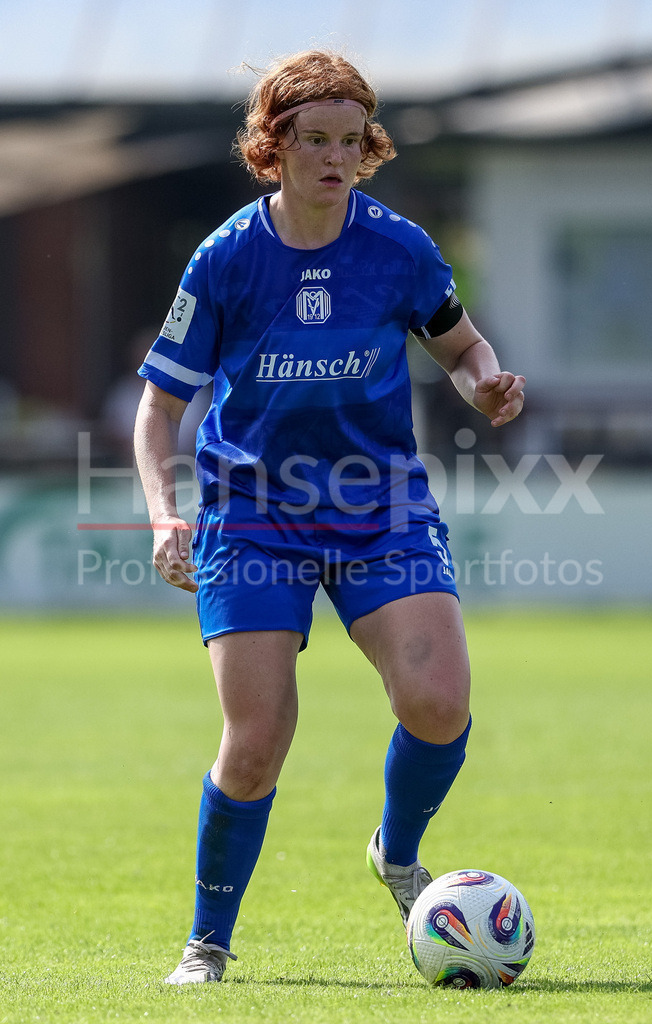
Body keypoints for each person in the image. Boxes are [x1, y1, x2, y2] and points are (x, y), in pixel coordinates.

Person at [133, 49, 525, 985]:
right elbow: (160, 407)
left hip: (377, 503)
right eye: (314, 140)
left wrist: (483, 385)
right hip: (254, 512)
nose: (335, 158)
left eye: (352, 141)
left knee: (438, 702)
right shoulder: (227, 258)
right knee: (257, 742)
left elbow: (461, 343)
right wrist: (162, 514)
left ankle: (397, 851)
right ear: (272, 147)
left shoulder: (397, 247)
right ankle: (208, 941)